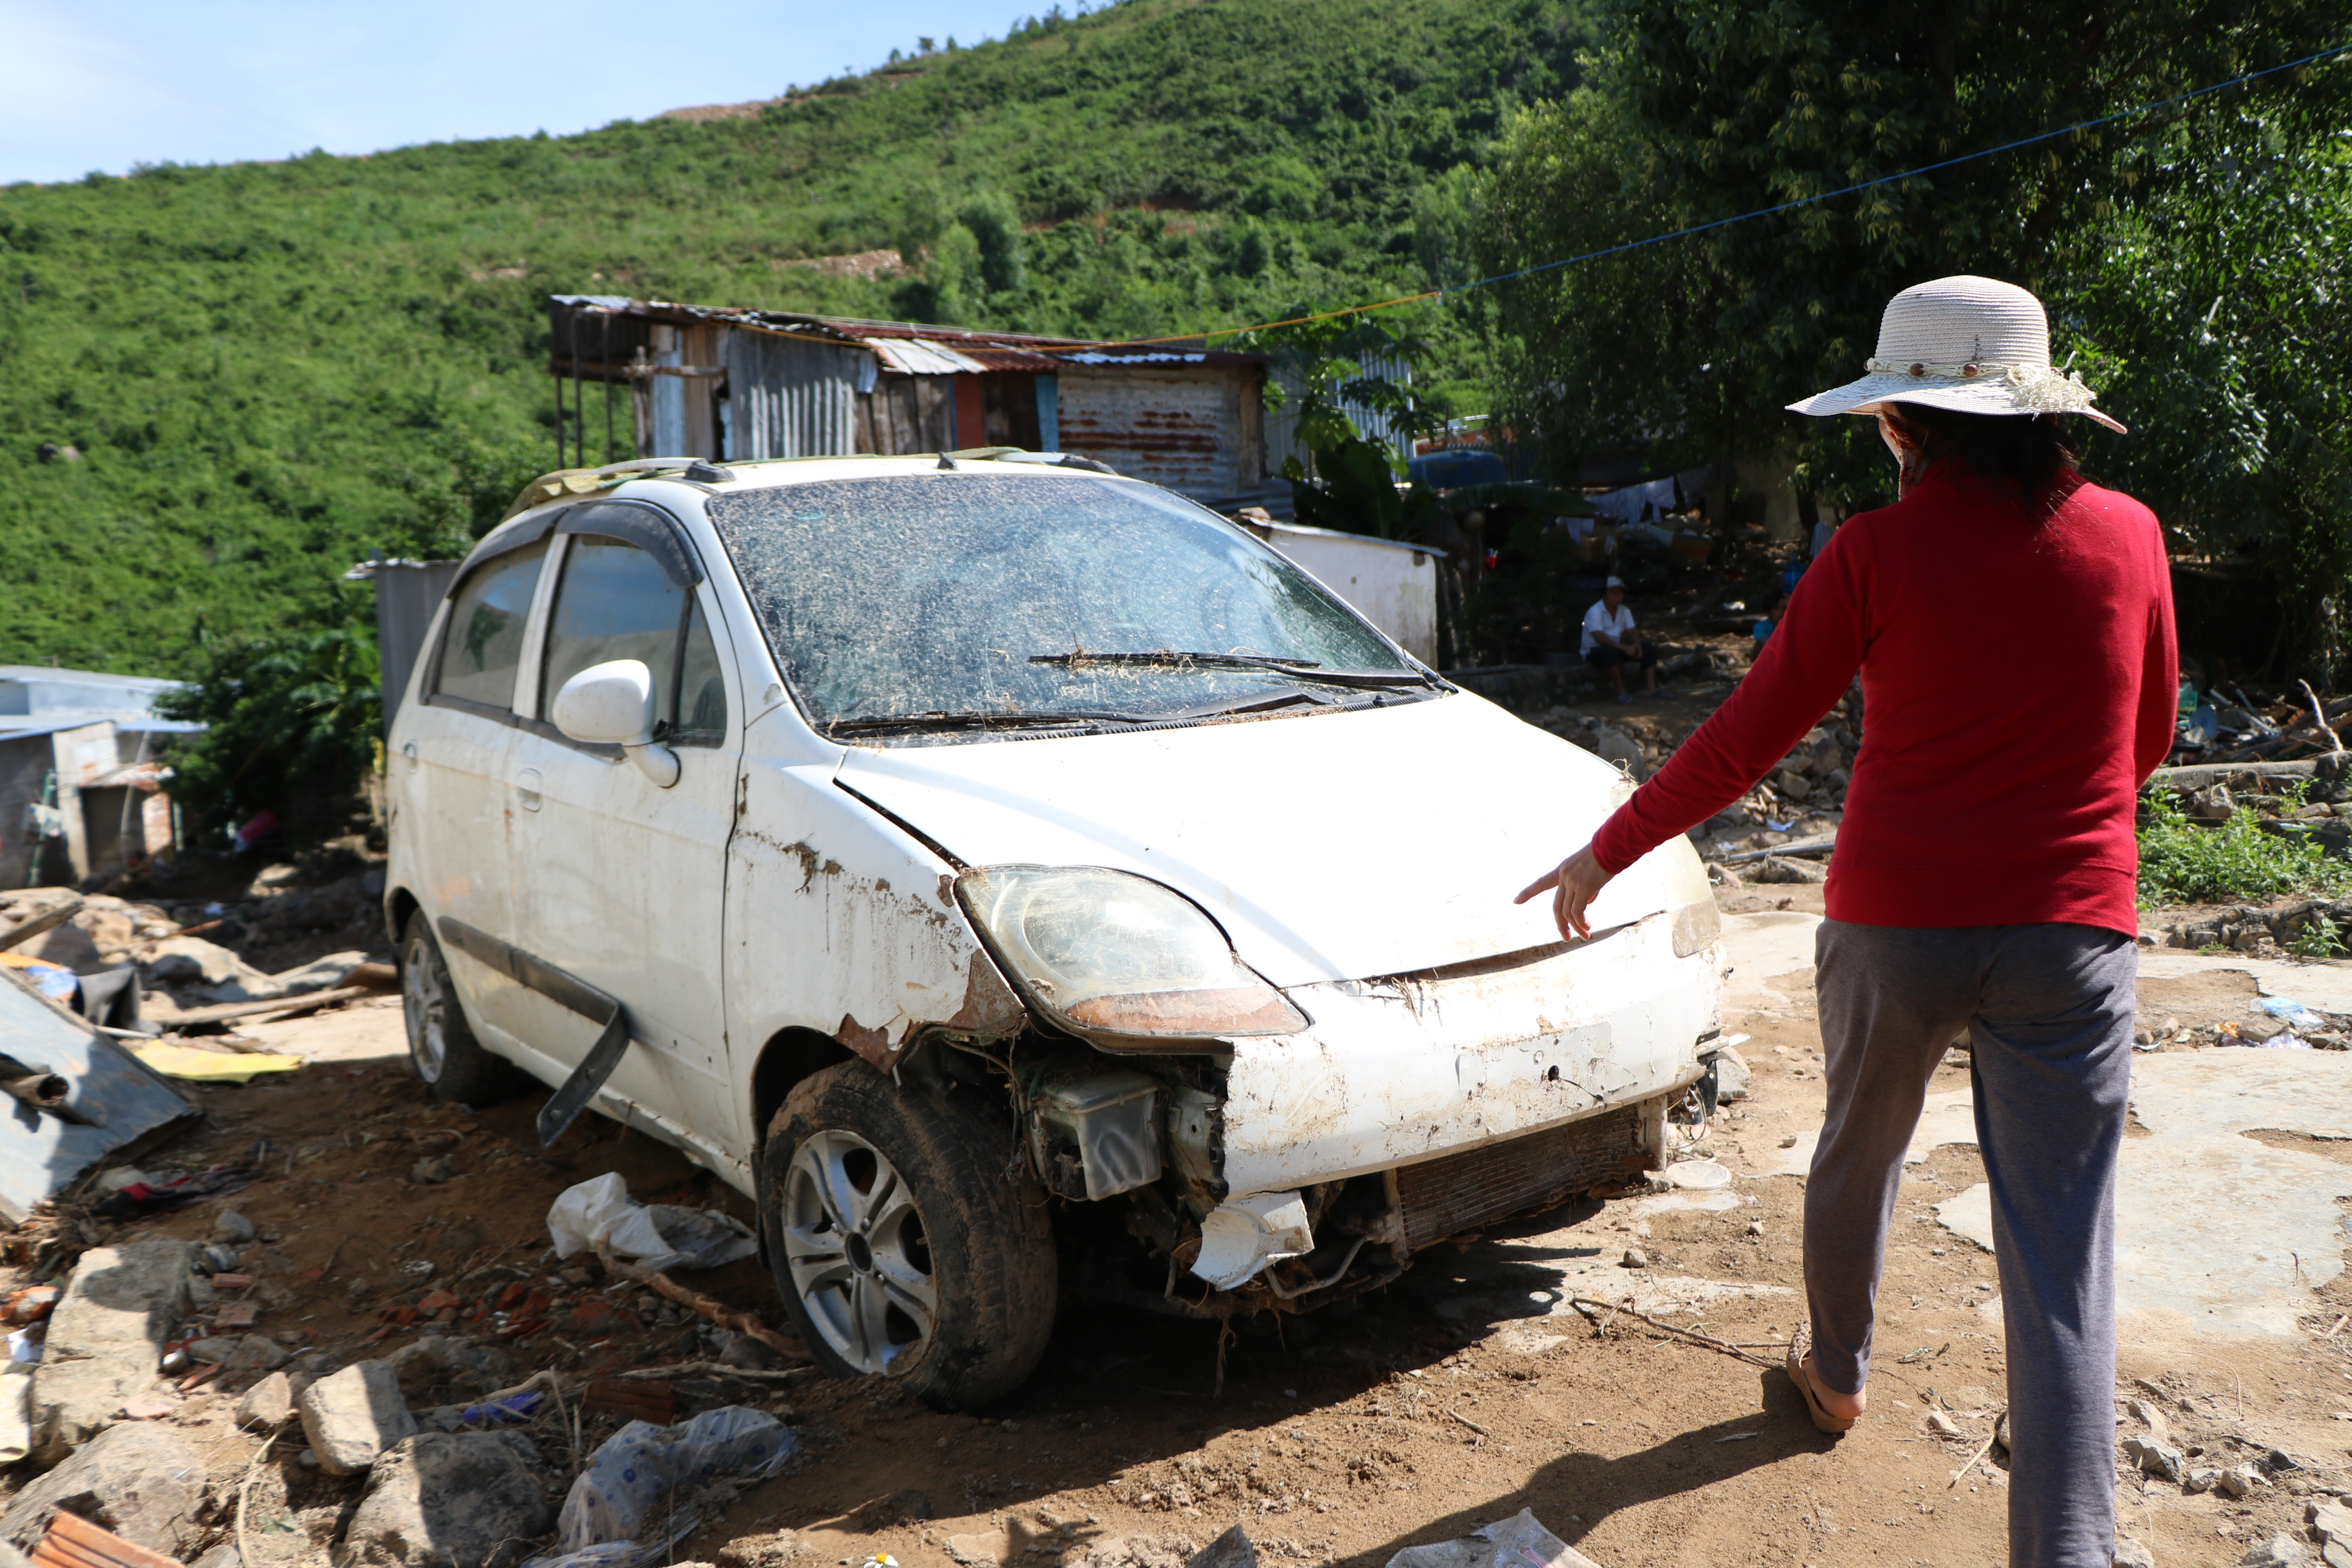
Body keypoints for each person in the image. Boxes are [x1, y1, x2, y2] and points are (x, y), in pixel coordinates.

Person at [1516, 276, 2172, 1568]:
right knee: (2060, 1252)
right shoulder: (2134, 536)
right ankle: (2071, 1550)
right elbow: (2145, 742)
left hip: (1895, 926)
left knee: (1857, 1154)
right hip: (2073, 932)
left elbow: (1748, 739)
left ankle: (1837, 1376)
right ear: (2043, 415)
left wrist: (1608, 850)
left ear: (1903, 423)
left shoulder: (1870, 554)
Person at [1580, 576, 1657, 702]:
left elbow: (1632, 631)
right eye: (1612, 592)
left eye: (1620, 593)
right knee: (1610, 652)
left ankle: (1651, 688)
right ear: (1605, 594)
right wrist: (1624, 647)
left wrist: (1637, 645)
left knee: (1647, 647)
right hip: (1594, 652)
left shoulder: (1625, 611)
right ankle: (1622, 693)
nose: (1616, 596)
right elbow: (1599, 638)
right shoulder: (1595, 611)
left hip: (1616, 648)